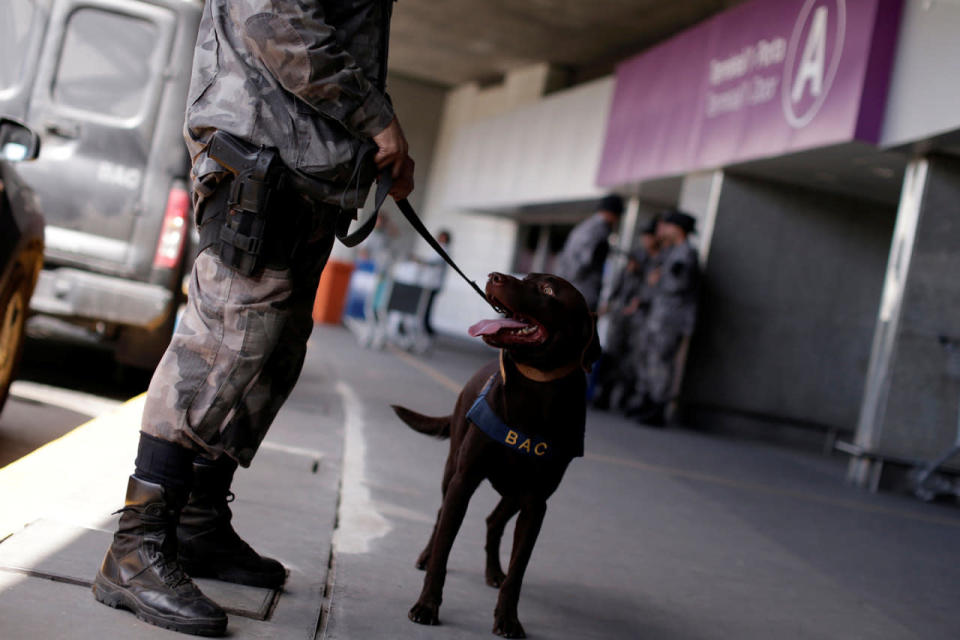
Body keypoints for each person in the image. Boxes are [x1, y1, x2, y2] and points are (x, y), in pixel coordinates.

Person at [92, 2, 414, 636]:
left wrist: (370, 142)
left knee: (271, 353)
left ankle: (197, 523)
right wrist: (377, 120)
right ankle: (134, 547)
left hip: (311, 170)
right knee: (221, 346)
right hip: (258, 150)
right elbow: (275, 20)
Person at [629, 210, 699, 427]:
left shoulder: (685, 254)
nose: (664, 230)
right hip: (661, 317)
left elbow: (678, 285)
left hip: (671, 319)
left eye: (668, 226)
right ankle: (650, 402)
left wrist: (657, 279)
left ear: (677, 229)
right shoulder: (674, 252)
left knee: (662, 363)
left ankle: (658, 407)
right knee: (654, 361)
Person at [592, 217, 660, 410]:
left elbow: (653, 287)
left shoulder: (657, 259)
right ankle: (603, 394)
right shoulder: (636, 256)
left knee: (632, 360)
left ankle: (626, 398)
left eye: (650, 236)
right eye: (644, 236)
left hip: (640, 318)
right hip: (621, 314)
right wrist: (607, 305)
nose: (646, 240)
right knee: (612, 354)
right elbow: (619, 283)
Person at [555, 194, 624, 311]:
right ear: (612, 213)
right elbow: (582, 263)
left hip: (570, 289)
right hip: (581, 292)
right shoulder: (599, 230)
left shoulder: (587, 226)